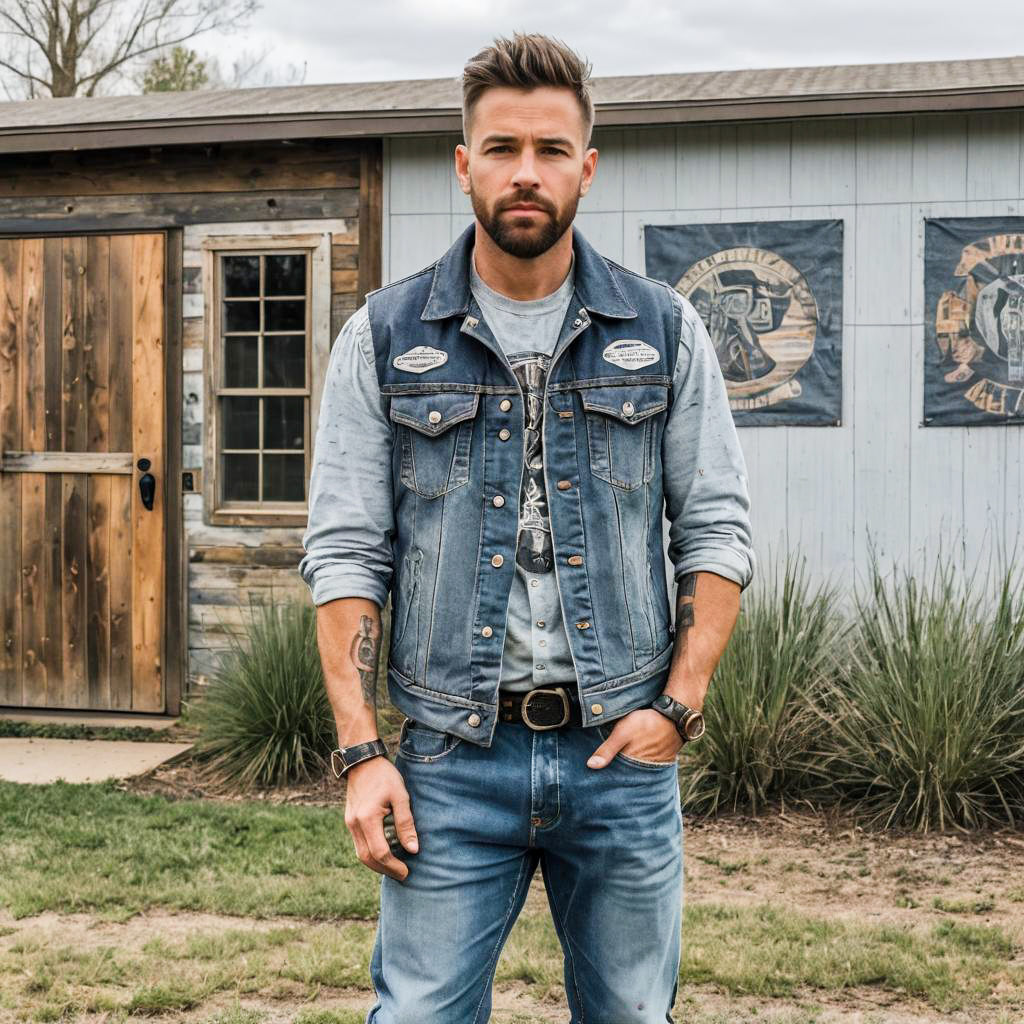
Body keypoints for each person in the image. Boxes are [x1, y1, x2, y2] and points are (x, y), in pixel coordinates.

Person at [298, 31, 755, 1024]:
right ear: (462, 165)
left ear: (587, 169)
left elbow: (715, 531)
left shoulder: (663, 331)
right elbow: (345, 551)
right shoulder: (381, 338)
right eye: (501, 148)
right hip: (450, 761)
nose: (525, 172)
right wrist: (362, 751)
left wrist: (674, 711)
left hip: (619, 756)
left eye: (551, 149)